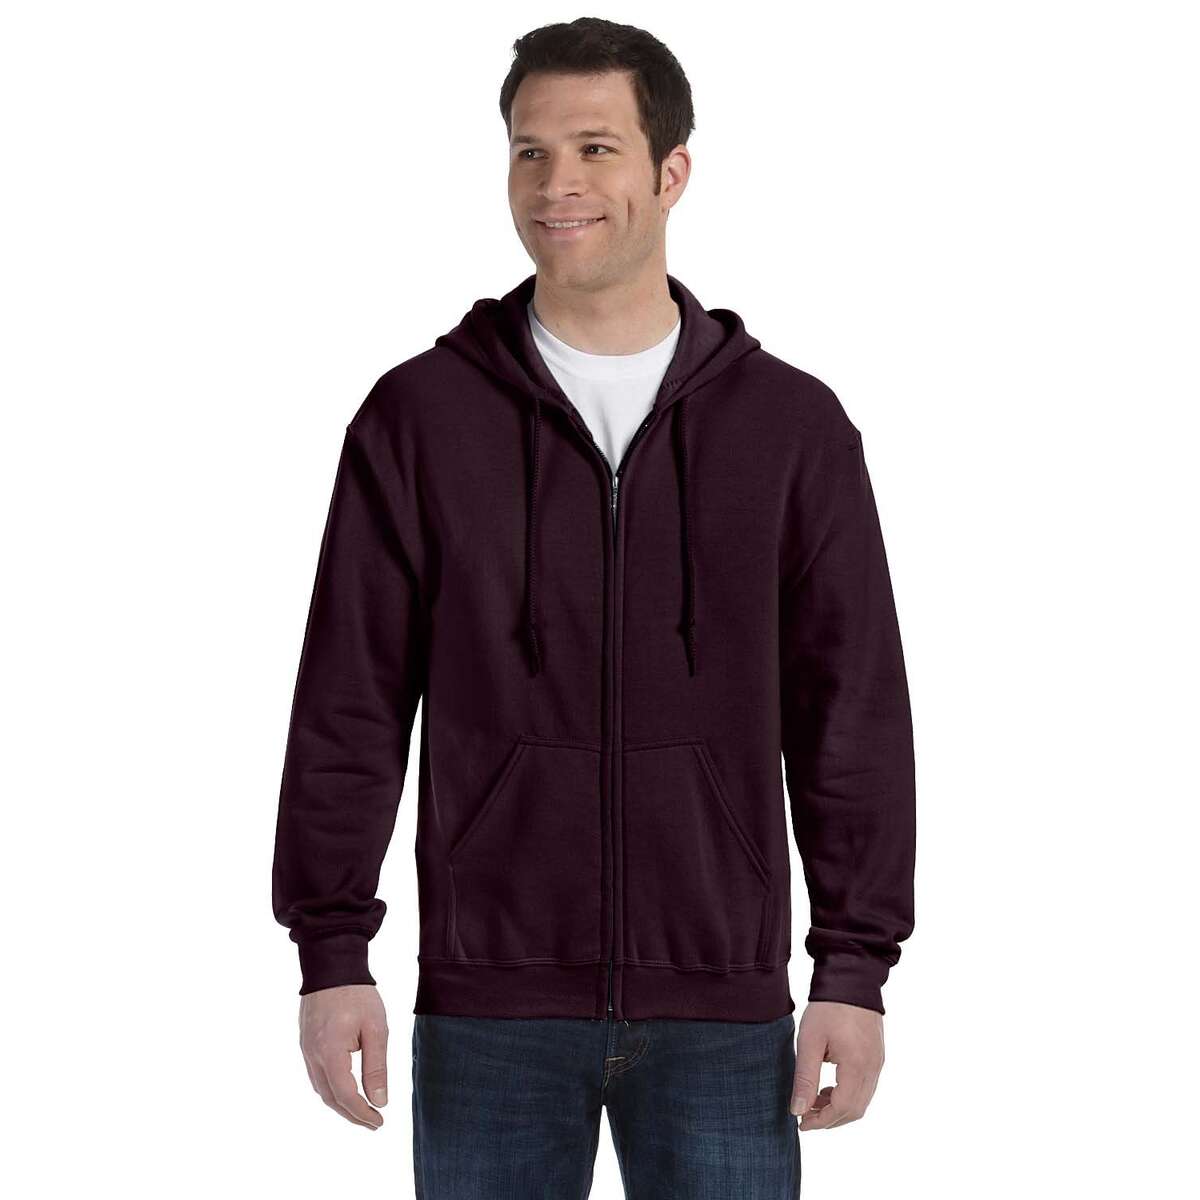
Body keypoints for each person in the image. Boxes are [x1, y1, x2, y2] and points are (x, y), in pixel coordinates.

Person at [271, 16, 916, 1198]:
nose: (555, 184)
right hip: (490, 1007)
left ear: (672, 172)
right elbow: (349, 703)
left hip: (724, 1011)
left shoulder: (791, 430)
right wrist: (332, 952)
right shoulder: (419, 419)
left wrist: (854, 968)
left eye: (595, 149)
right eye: (530, 152)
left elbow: (853, 717)